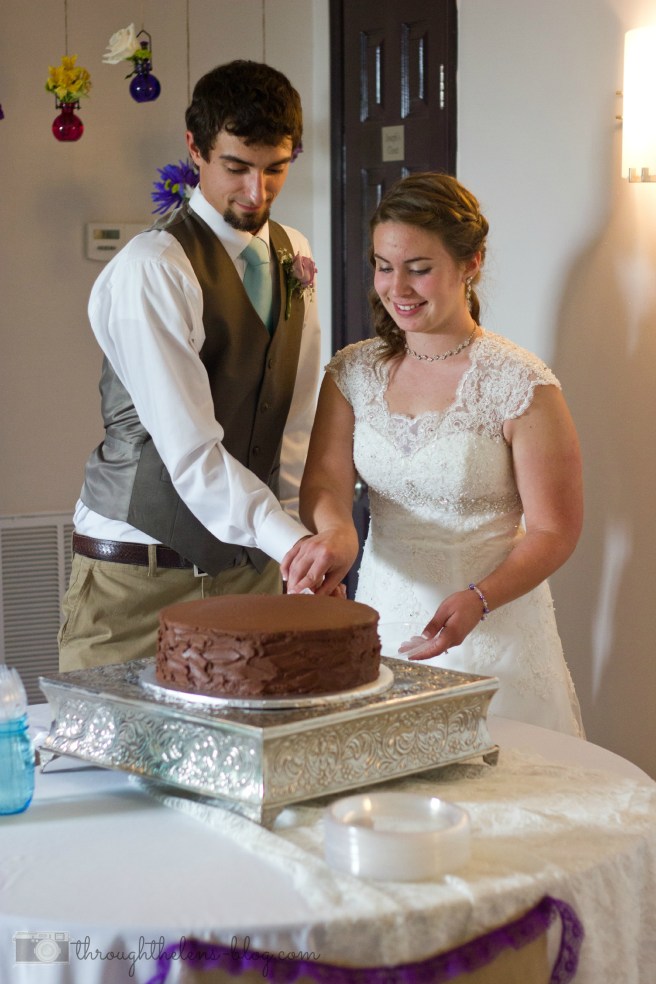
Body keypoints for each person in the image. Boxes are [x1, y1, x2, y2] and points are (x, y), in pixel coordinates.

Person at [283, 172, 585, 736]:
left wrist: (481, 598)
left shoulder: (520, 384)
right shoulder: (353, 372)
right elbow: (325, 482)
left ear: (471, 263)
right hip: (383, 616)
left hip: (492, 625)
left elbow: (554, 531)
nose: (398, 288)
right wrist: (338, 536)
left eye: (419, 268)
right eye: (384, 265)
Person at [58, 60, 322, 671]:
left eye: (275, 169)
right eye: (236, 168)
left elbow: (292, 420)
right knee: (116, 767)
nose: (256, 193)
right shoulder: (154, 269)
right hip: (140, 579)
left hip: (253, 569)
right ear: (195, 150)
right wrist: (294, 543)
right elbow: (193, 454)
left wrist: (293, 551)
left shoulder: (294, 253)